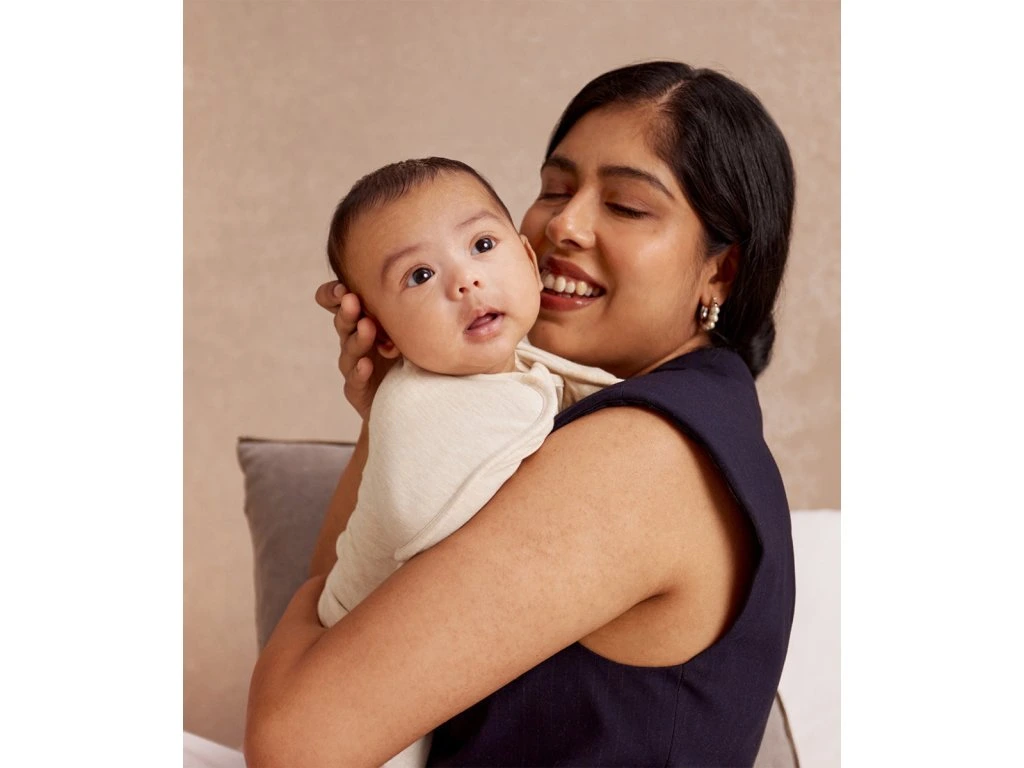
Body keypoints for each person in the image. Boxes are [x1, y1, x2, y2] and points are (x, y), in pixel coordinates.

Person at [245, 60, 797, 767]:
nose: (563, 223)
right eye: (555, 189)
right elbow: (350, 598)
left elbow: (295, 744)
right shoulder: (597, 410)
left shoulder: (643, 455)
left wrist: (303, 646)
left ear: (720, 271)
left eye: (626, 206)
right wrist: (394, 410)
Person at [316, 156, 620, 766]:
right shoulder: (415, 405)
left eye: (482, 245)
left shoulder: (519, 368)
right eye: (420, 275)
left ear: (528, 262)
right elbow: (418, 516)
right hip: (358, 646)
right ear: (385, 335)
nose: (465, 282)